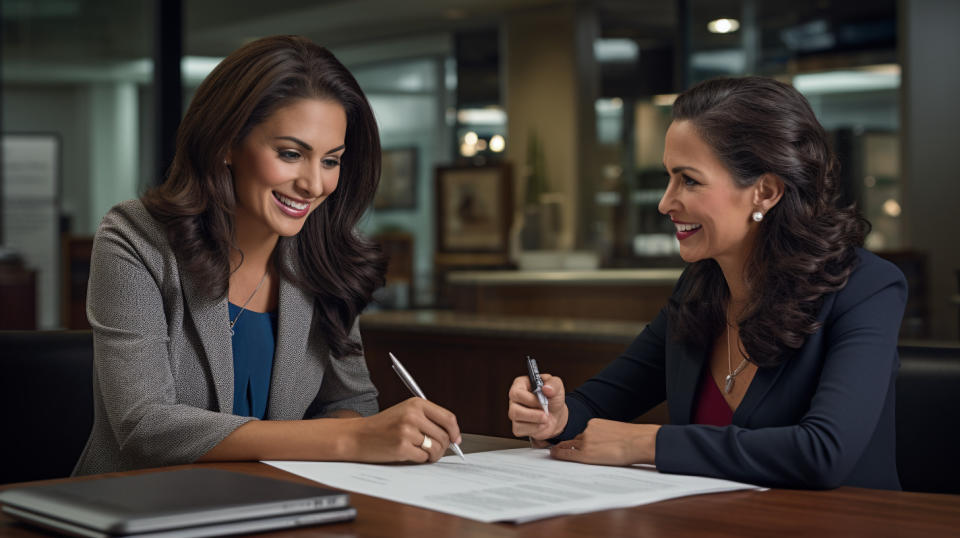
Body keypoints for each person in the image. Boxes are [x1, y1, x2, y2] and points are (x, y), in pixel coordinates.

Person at [75, 35, 460, 475]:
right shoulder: (134, 239)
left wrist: (366, 430)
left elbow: (351, 402)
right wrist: (352, 437)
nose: (314, 185)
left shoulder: (326, 256)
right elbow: (145, 426)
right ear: (225, 144)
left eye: (331, 160)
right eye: (291, 154)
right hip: (141, 508)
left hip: (278, 503)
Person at [508, 76, 907, 490]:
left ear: (765, 192)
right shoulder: (699, 289)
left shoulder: (867, 288)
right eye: (668, 178)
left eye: (689, 180)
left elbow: (823, 453)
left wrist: (647, 442)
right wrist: (555, 414)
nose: (665, 202)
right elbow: (594, 403)